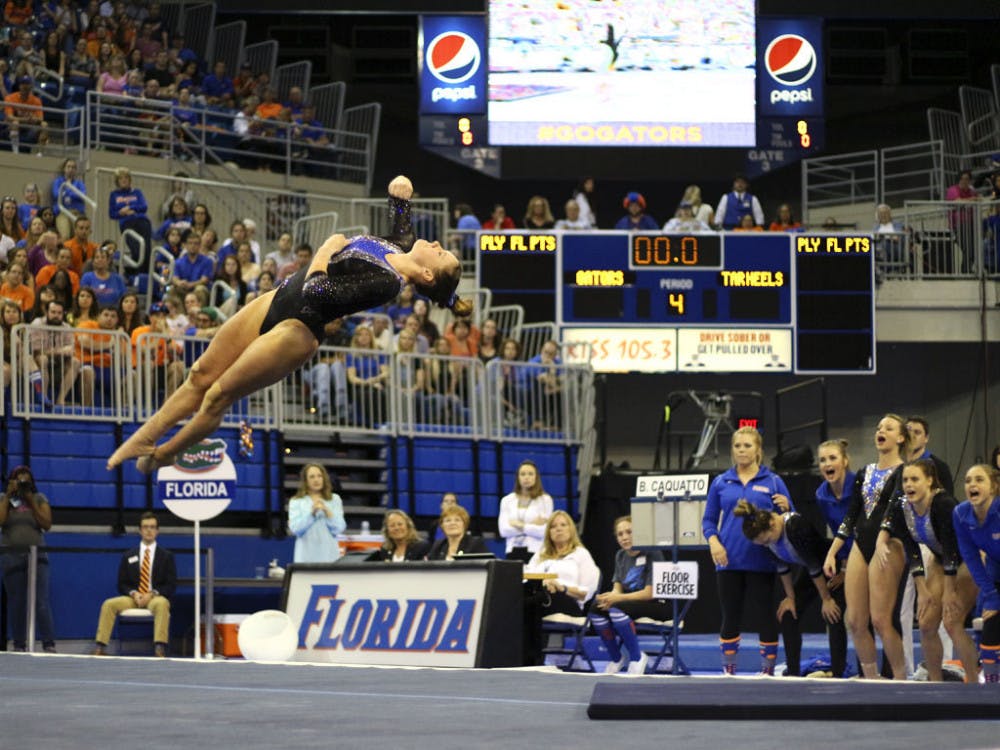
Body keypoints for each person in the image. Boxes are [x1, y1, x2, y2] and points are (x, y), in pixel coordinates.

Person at [107, 175, 469, 474]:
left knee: (218, 395)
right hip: (280, 297)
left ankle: (167, 451)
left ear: (425, 272)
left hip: (298, 328)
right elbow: (402, 213)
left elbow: (317, 290)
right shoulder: (401, 244)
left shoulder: (388, 282)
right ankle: (146, 435)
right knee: (201, 373)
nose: (436, 242)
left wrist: (327, 247)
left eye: (440, 253)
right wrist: (401, 192)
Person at [876, 459, 979, 682]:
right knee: (926, 624)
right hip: (942, 561)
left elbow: (953, 548)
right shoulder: (902, 507)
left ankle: (973, 683)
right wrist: (922, 589)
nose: (909, 485)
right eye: (905, 480)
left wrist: (949, 592)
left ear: (930, 481)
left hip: (969, 560)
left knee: (952, 622)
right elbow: (911, 549)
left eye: (915, 479)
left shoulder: (944, 503)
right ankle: (935, 683)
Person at [823, 414, 909, 680]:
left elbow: (894, 510)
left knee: (881, 621)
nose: (881, 431)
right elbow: (852, 516)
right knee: (856, 621)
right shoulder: (865, 472)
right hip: (862, 542)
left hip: (891, 543)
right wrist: (833, 551)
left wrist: (883, 536)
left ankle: (899, 679)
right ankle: (871, 680)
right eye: (879, 427)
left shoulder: (905, 472)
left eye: (889, 428)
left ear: (901, 437)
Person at [702, 426, 791, 675]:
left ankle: (768, 672)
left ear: (758, 450)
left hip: (762, 560)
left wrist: (787, 507)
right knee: (730, 616)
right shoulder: (721, 482)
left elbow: (788, 519)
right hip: (728, 561)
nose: (742, 450)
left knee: (765, 616)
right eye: (737, 446)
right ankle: (729, 671)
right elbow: (708, 520)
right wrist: (714, 542)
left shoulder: (773, 481)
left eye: (747, 446)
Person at [733, 500, 845, 679]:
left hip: (832, 567)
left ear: (772, 523)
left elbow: (815, 565)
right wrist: (790, 598)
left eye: (767, 540)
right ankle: (793, 673)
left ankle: (838, 673)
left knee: (833, 615)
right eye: (762, 544)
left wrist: (826, 599)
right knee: (788, 614)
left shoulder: (794, 526)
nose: (766, 545)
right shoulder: (768, 539)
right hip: (812, 571)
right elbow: (783, 568)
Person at [589, 515, 670, 675]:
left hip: (657, 604)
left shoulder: (653, 553)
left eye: (629, 532)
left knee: (617, 608)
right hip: (630, 603)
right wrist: (609, 597)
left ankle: (637, 657)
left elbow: (650, 593)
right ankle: (616, 657)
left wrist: (617, 599)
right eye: (620, 534)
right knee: (595, 608)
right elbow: (617, 588)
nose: (625, 537)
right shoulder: (620, 555)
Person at [92, 512, 176, 657]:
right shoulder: (129, 555)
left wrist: (152, 594)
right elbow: (121, 584)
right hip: (133, 598)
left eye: (152, 527)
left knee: (163, 604)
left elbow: (170, 585)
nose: (149, 530)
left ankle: (159, 647)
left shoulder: (166, 556)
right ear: (140, 530)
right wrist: (134, 593)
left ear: (157, 531)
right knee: (109, 604)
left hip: (154, 598)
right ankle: (100, 646)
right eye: (145, 527)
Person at [524, 511, 600, 663]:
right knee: (524, 596)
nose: (558, 529)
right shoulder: (541, 554)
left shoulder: (581, 554)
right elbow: (527, 578)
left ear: (571, 529)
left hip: (568, 601)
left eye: (563, 525)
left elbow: (586, 593)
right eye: (553, 526)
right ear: (548, 532)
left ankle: (532, 658)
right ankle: (524, 656)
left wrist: (562, 587)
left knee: (536, 600)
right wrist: (543, 584)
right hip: (542, 597)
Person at [0, 465, 56, 652]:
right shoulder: (3, 499)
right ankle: (19, 645)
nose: (22, 481)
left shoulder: (39, 499)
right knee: (16, 602)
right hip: (11, 555)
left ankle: (48, 644)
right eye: (18, 478)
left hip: (37, 555)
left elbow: (46, 524)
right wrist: (8, 496)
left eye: (26, 479)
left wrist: (31, 501)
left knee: (41, 602)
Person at [953, 464, 1000, 683]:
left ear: (994, 487)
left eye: (980, 479)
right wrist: (991, 595)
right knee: (988, 627)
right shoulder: (961, 514)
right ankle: (992, 688)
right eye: (968, 480)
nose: (972, 484)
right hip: (994, 567)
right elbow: (970, 557)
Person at [287, 463, 346, 563]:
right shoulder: (296, 501)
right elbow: (296, 529)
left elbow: (339, 528)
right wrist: (312, 514)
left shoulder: (335, 499)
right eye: (312, 477)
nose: (316, 480)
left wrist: (328, 512)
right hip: (305, 557)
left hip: (329, 556)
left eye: (319, 476)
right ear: (305, 481)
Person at [498, 459, 553, 560]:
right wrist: (532, 525)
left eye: (530, 474)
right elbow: (503, 531)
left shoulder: (545, 500)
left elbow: (544, 531)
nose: (526, 477)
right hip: (512, 551)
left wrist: (519, 525)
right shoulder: (507, 500)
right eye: (523, 474)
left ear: (536, 477)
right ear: (518, 478)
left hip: (536, 551)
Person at [107, 167, 152, 265]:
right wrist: (120, 213)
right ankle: (138, 271)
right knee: (136, 249)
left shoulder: (137, 192)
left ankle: (145, 272)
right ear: (117, 181)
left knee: (146, 249)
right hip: (127, 223)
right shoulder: (114, 195)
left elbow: (144, 206)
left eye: (126, 178)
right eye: (121, 178)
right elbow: (111, 213)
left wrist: (130, 208)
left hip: (142, 221)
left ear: (130, 180)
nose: (124, 180)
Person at [51, 158, 87, 240]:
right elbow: (56, 194)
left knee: (79, 237)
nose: (71, 169)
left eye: (73, 167)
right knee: (65, 236)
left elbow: (82, 195)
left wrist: (66, 192)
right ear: (64, 169)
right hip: (62, 212)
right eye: (68, 167)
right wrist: (73, 193)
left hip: (77, 213)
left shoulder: (79, 183)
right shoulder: (58, 181)